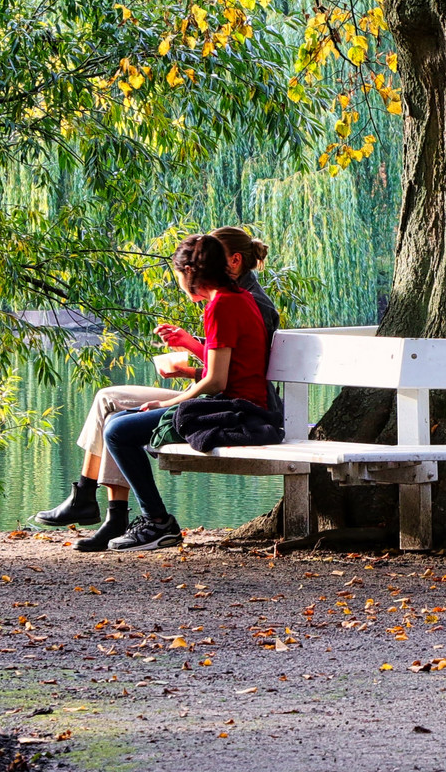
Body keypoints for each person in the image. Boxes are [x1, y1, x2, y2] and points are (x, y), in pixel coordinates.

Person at [33, 227, 278, 549]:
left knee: (118, 432)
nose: (178, 282)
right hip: (229, 401)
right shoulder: (235, 298)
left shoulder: (222, 305)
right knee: (116, 422)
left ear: (190, 272)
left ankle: (157, 522)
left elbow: (217, 380)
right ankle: (127, 516)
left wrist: (168, 404)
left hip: (234, 409)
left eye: (178, 274)